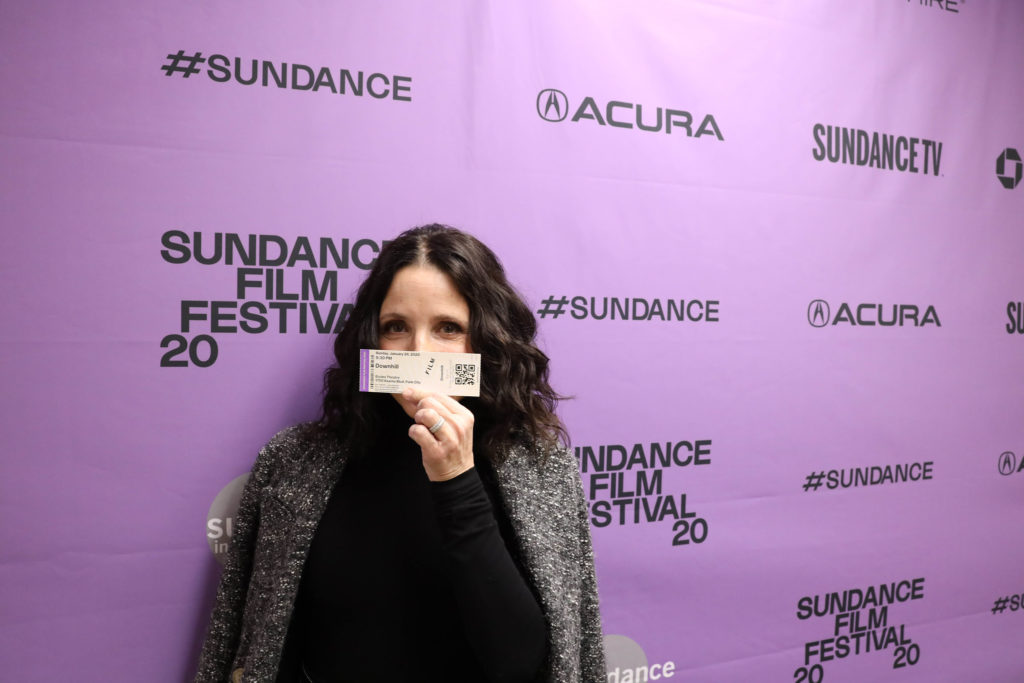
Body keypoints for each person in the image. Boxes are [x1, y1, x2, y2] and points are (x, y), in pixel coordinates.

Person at [194, 225, 606, 682]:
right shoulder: (295, 461)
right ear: (371, 338)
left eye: (448, 328)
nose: (419, 352)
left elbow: (524, 663)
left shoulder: (540, 467)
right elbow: (258, 643)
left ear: (486, 340)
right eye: (396, 327)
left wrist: (457, 479)